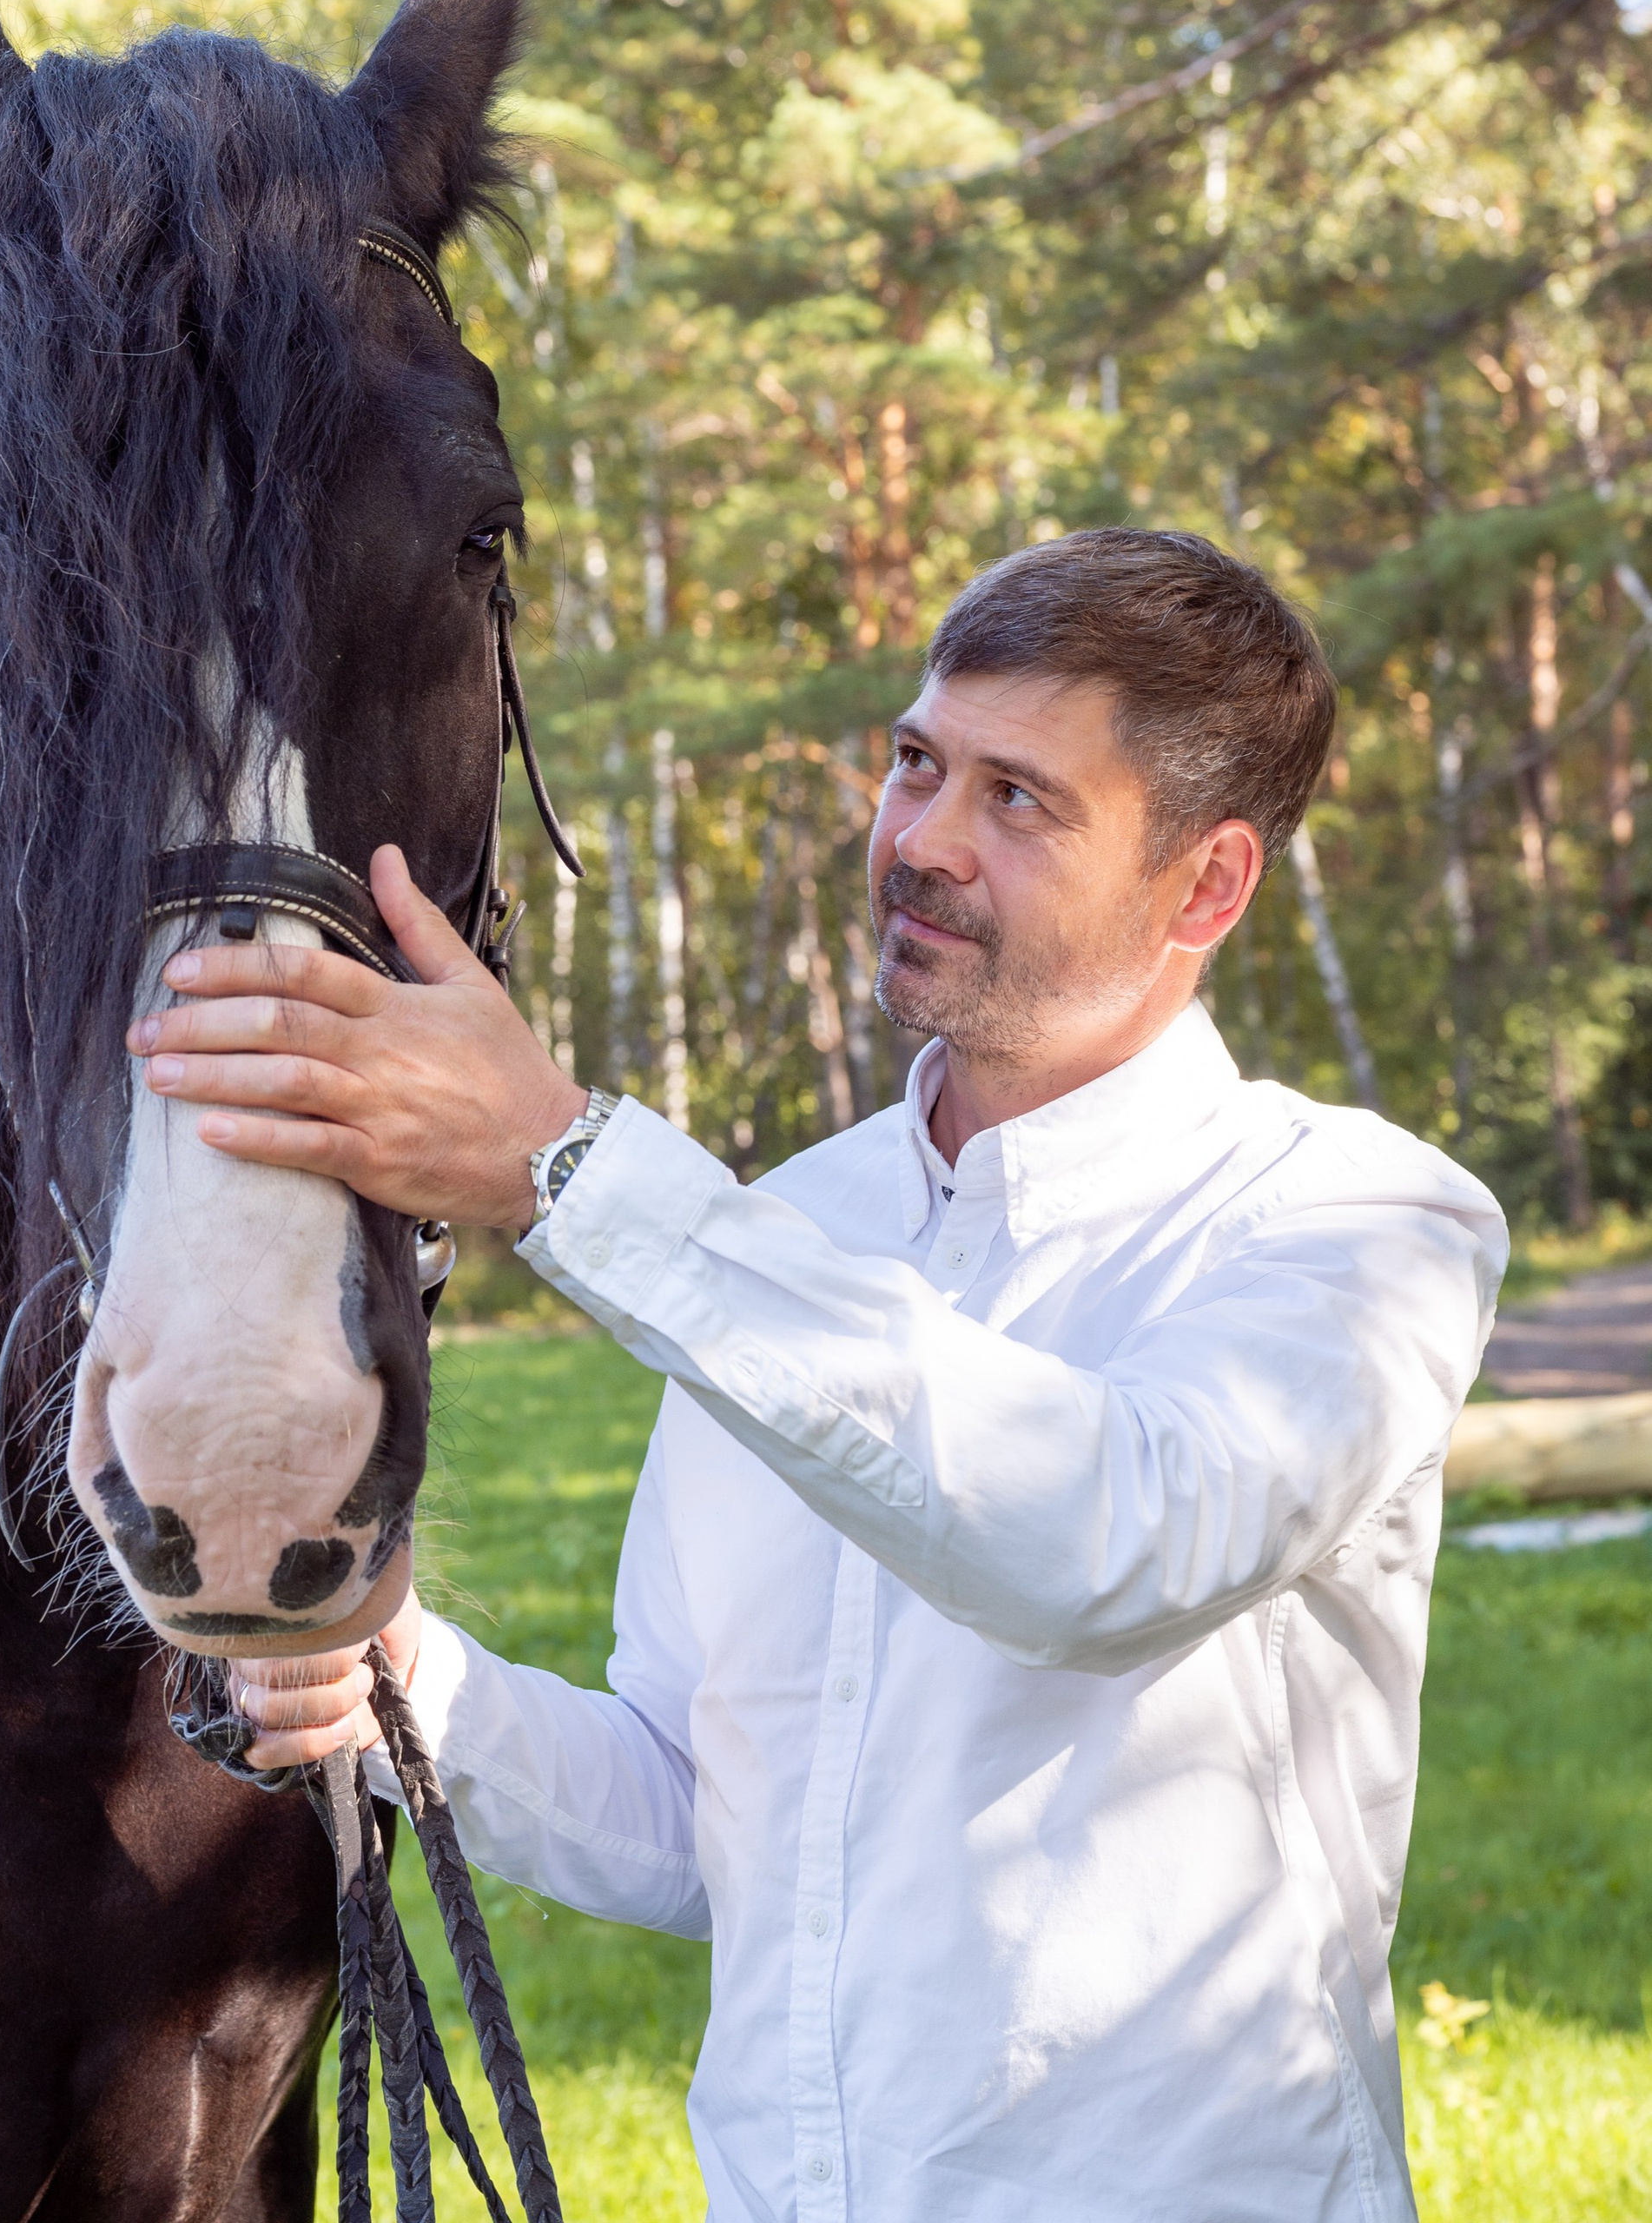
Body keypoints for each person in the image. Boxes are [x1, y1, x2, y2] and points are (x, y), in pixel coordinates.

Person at [131, 526, 1504, 2223]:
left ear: (1203, 886)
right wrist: (410, 1675)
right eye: (915, 761)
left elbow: (1101, 1541)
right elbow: (709, 1820)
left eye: (1018, 800)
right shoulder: (782, 1232)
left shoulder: (1360, 1224)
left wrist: (562, 1164)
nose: (920, 841)